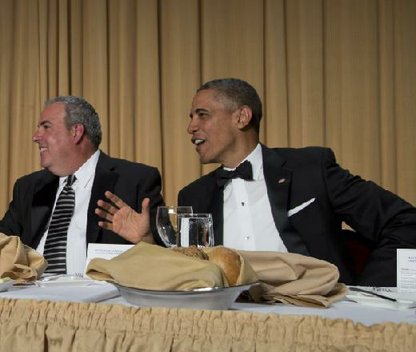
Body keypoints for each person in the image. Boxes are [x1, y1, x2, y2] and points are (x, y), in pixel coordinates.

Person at [98, 78, 416, 286]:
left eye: (202, 115)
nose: (190, 127)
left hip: (314, 313)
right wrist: (150, 240)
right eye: (190, 117)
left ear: (242, 117)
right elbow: (189, 272)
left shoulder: (311, 170)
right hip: (232, 321)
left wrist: (367, 292)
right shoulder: (194, 194)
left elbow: (404, 221)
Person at [0, 96, 165, 276]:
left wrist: (147, 241)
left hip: (100, 299)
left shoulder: (135, 180)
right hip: (33, 297)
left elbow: (168, 263)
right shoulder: (28, 187)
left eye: (46, 127)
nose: (36, 137)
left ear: (76, 132)